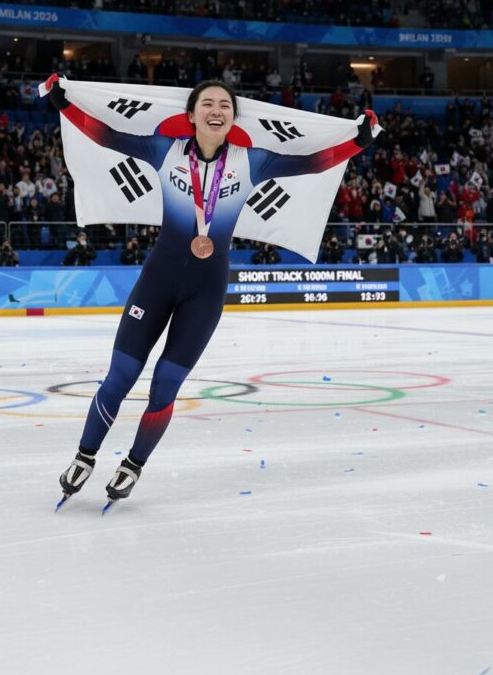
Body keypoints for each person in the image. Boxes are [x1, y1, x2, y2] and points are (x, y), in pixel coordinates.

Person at [47, 74, 377, 506]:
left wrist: (358, 142)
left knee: (164, 387)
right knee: (120, 377)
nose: (216, 110)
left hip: (205, 292)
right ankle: (84, 456)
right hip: (157, 281)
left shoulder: (251, 161)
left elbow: (313, 162)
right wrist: (63, 103)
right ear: (191, 115)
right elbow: (106, 136)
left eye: (224, 104)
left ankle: (133, 465)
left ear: (233, 117)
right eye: (208, 104)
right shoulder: (163, 150)